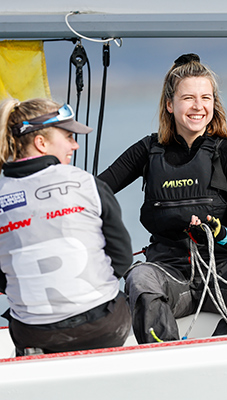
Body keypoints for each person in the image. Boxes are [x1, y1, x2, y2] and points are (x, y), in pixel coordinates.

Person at [98, 53, 227, 344]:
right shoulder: (147, 150)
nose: (198, 106)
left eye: (206, 98)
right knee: (139, 278)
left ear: (214, 104)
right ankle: (166, 356)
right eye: (188, 98)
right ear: (170, 105)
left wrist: (219, 232)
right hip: (170, 275)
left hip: (223, 275)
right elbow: (94, 191)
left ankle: (221, 345)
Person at [0, 98, 133, 355]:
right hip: (103, 327)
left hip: (33, 332)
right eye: (69, 136)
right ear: (41, 143)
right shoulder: (86, 183)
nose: (76, 144)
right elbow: (122, 257)